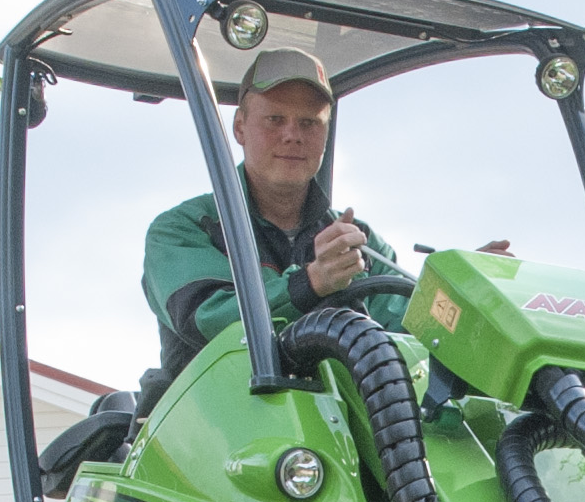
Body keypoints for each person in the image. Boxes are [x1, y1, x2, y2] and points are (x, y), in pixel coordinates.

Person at [138, 44, 405, 385]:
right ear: (239, 127)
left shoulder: (360, 243)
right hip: (219, 412)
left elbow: (411, 336)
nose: (293, 135)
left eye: (309, 123)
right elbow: (212, 323)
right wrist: (311, 282)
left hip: (338, 416)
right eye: (275, 120)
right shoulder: (184, 229)